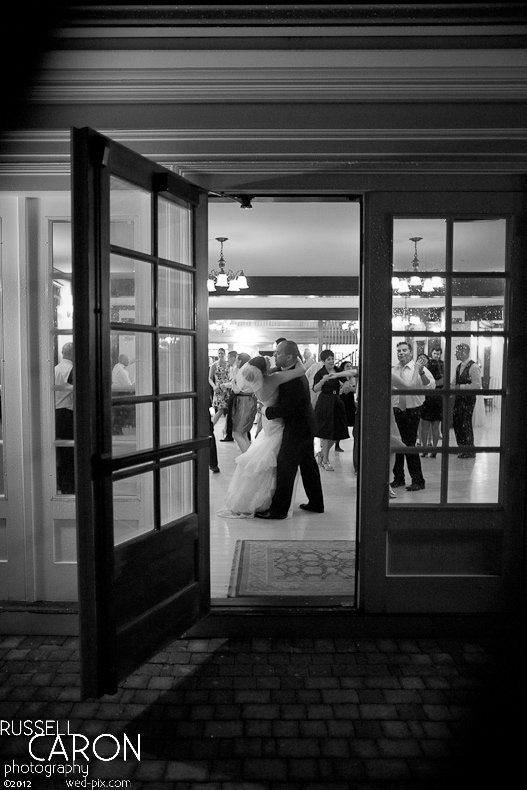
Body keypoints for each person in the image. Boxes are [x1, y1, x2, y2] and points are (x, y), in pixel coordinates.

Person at [218, 353, 307, 517]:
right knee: (272, 462)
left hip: (266, 422)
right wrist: (295, 355)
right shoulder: (274, 379)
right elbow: (301, 370)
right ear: (264, 369)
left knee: (264, 459)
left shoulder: (255, 381)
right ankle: (269, 499)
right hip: (277, 424)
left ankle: (256, 497)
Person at [255, 340, 324, 519]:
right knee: (308, 465)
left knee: (286, 466)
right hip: (305, 424)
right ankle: (317, 503)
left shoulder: (294, 380)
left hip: (299, 427)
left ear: (289, 357)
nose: (275, 355)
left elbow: (288, 409)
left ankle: (278, 510)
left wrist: (264, 410)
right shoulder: (289, 372)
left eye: (278, 353)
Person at [391, 341, 435, 491]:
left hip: (412, 410)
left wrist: (421, 371)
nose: (401, 353)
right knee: (396, 444)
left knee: (409, 445)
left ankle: (418, 480)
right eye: (399, 351)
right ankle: (398, 478)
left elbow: (430, 386)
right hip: (396, 411)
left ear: (410, 352)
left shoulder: (419, 369)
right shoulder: (394, 370)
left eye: (404, 350)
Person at [312, 350, 349, 471]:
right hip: (325, 402)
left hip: (337, 401)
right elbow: (315, 389)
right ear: (323, 361)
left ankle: (321, 453)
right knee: (327, 433)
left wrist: (345, 384)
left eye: (332, 358)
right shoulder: (320, 372)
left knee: (337, 432)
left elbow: (346, 380)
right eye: (328, 359)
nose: (331, 361)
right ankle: (325, 460)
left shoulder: (338, 371)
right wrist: (323, 380)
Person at [451, 342, 482, 458]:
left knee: (465, 422)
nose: (455, 354)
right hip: (459, 399)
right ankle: (461, 447)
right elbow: (454, 383)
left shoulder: (474, 367)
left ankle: (469, 449)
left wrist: (461, 387)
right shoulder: (458, 367)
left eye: (456, 351)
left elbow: (477, 385)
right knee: (457, 422)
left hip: (468, 400)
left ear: (464, 352)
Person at [54, 341, 75, 494]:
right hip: (67, 413)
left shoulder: (54, 369)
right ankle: (68, 485)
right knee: (69, 451)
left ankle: (59, 483)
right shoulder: (72, 370)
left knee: (59, 451)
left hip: (55, 413)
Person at [420, 347, 444, 458]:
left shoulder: (426, 373)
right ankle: (434, 449)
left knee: (424, 427)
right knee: (435, 427)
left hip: (427, 399)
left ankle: (424, 449)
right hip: (438, 399)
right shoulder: (441, 376)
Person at [230, 352, 256, 453]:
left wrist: (232, 382)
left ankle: (247, 459)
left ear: (240, 360)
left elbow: (237, 389)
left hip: (244, 402)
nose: (236, 361)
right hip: (249, 401)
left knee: (236, 433)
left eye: (237, 359)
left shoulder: (243, 371)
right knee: (244, 433)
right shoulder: (249, 370)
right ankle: (249, 459)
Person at [334, 361, 356, 452]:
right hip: (341, 402)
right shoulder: (339, 378)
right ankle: (336, 444)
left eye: (351, 366)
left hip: (350, 403)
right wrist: (348, 388)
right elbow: (342, 391)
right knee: (340, 423)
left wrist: (348, 388)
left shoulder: (353, 378)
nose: (349, 368)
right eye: (347, 366)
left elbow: (354, 389)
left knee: (354, 422)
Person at [208, 348, 230, 428]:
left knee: (229, 410)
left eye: (222, 353)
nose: (220, 355)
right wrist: (214, 386)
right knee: (220, 410)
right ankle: (211, 426)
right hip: (219, 389)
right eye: (219, 353)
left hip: (228, 388)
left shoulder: (228, 364)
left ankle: (226, 429)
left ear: (224, 354)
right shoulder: (214, 365)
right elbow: (210, 378)